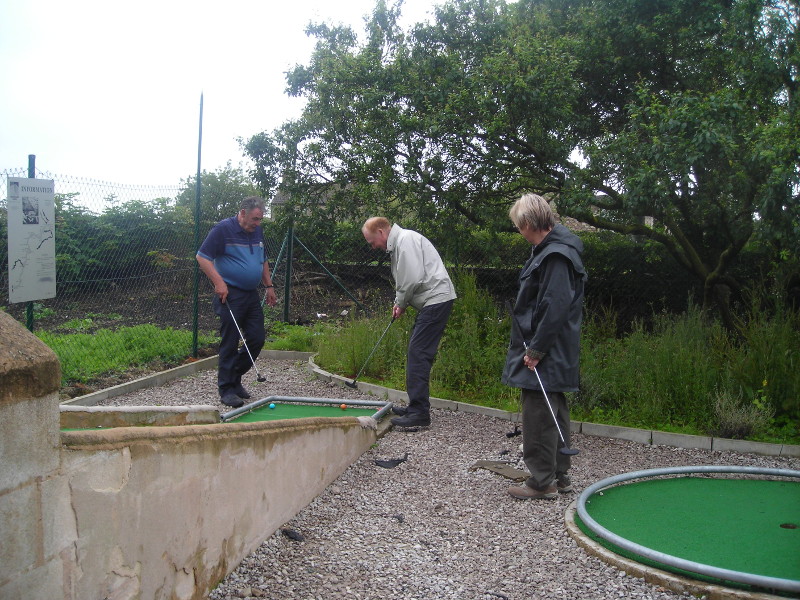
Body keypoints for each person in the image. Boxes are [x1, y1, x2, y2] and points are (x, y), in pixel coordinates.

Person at [502, 194, 587, 500]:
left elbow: (555, 306)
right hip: (555, 345)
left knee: (538, 410)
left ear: (527, 223)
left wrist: (536, 349)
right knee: (553, 406)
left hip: (547, 346)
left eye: (518, 225)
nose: (518, 231)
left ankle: (541, 481)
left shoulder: (555, 256)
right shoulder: (553, 250)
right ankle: (559, 475)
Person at [361, 217, 457, 427]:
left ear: (381, 232)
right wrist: (400, 302)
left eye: (372, 242)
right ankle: (416, 407)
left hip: (436, 300)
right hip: (433, 301)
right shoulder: (401, 243)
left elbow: (411, 278)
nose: (373, 247)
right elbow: (407, 278)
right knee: (417, 352)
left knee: (418, 353)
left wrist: (401, 303)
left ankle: (420, 413)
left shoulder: (405, 240)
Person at [197, 196, 277, 408]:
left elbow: (263, 259)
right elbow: (202, 257)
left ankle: (234, 377)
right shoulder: (222, 229)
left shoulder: (256, 230)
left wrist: (269, 286)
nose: (258, 223)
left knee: (257, 338)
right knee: (230, 341)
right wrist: (219, 283)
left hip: (251, 294)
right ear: (242, 213)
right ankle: (226, 389)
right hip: (230, 293)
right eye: (255, 219)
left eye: (260, 219)